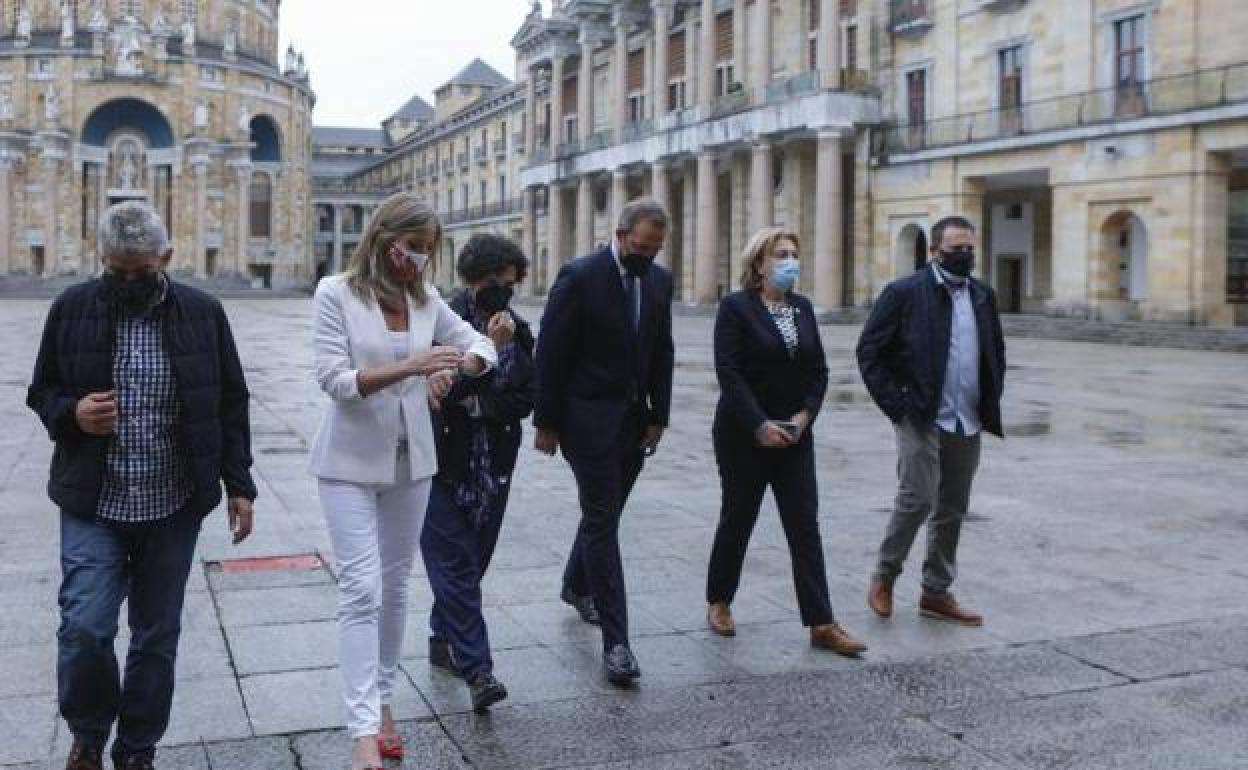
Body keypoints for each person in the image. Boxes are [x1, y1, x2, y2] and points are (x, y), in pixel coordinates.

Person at [27, 201, 256, 770]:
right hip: (93, 500)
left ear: (166, 257)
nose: (128, 280)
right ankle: (87, 733)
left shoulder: (202, 313)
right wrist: (73, 412)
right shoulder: (71, 307)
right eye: (117, 269)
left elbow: (230, 399)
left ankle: (137, 749)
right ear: (101, 258)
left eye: (140, 269)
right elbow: (42, 391)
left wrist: (240, 484)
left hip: (173, 502)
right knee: (85, 626)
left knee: (155, 634)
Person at [310, 193, 496, 769]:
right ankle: (364, 727)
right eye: (414, 247)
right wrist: (414, 367)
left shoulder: (428, 300)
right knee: (361, 587)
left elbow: (480, 343)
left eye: (428, 251)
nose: (420, 260)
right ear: (385, 238)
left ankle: (384, 701)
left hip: (411, 462)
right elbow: (333, 379)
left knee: (395, 588)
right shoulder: (336, 292)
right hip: (347, 464)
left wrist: (461, 364)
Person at [704, 227, 867, 655]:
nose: (791, 261)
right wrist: (760, 424)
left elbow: (819, 371)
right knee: (738, 517)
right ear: (759, 263)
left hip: (795, 435)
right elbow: (729, 372)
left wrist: (803, 416)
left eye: (794, 253)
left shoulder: (802, 308)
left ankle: (821, 622)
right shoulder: (736, 308)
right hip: (744, 434)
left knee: (804, 525)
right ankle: (719, 600)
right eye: (781, 254)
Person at [534, 198, 674, 686]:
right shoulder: (580, 276)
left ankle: (576, 585)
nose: (647, 256)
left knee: (605, 512)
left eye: (655, 250)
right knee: (602, 519)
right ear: (620, 236)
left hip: (633, 421)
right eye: (640, 247)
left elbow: (662, 350)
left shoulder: (658, 281)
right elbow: (551, 351)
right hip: (585, 420)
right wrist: (546, 422)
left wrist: (660, 414)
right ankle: (617, 644)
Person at [855, 215, 1006, 627]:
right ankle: (884, 577)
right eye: (957, 248)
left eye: (970, 248)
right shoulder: (904, 293)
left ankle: (936, 592)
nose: (965, 255)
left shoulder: (982, 295)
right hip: (921, 415)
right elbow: (870, 352)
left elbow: (994, 350)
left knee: (953, 507)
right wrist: (898, 406)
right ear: (935, 251)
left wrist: (992, 395)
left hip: (967, 416)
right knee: (917, 498)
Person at [421, 234, 535, 711]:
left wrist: (477, 401)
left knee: (474, 561)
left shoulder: (520, 329)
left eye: (509, 284)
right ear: (473, 278)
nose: (502, 293)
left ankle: (441, 638)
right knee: (457, 566)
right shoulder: (440, 323)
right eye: (495, 283)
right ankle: (479, 670)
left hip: (493, 469)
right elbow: (438, 394)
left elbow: (524, 398)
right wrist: (488, 354)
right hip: (441, 464)